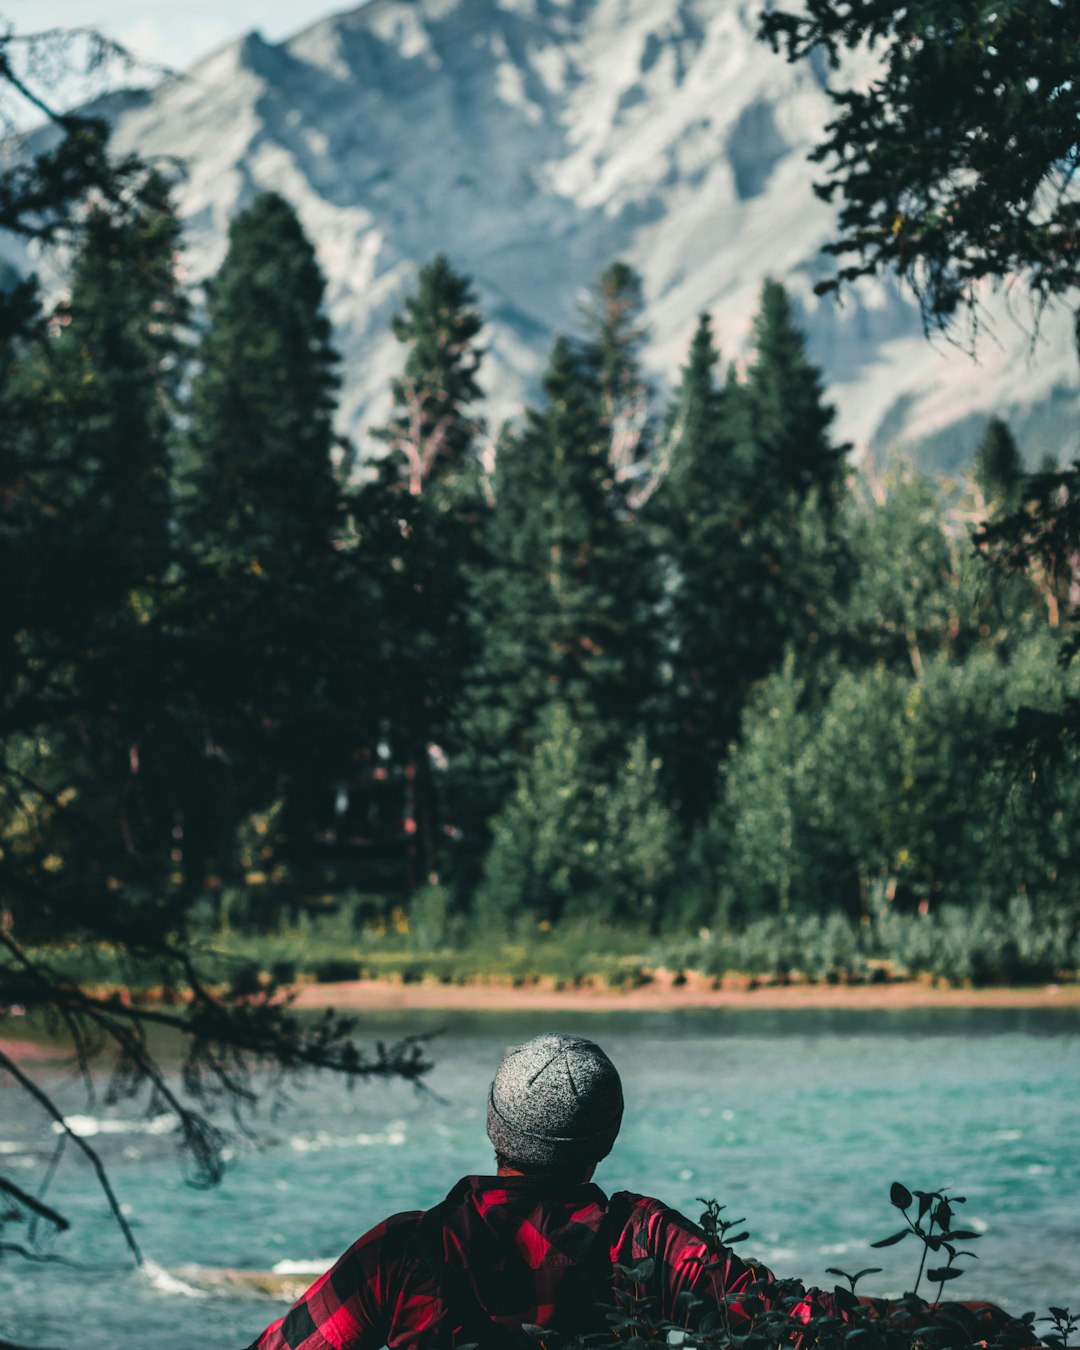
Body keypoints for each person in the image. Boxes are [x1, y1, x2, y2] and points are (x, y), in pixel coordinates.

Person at [245, 1032, 782, 1350]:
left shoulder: (405, 1250)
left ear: (493, 1128)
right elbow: (789, 1321)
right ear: (607, 1140)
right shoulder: (646, 1244)